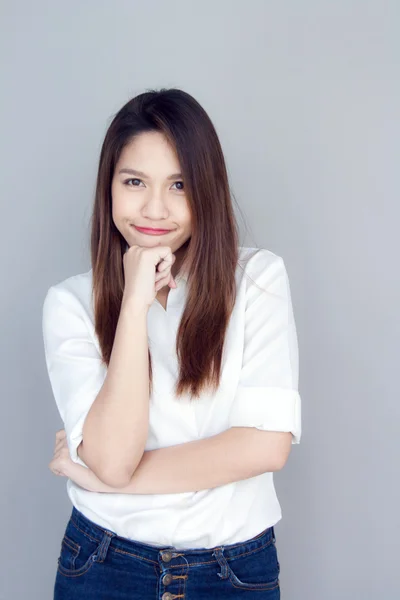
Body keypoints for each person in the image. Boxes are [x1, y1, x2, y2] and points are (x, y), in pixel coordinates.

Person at [42, 87, 302, 599]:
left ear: (206, 188)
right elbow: (114, 459)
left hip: (234, 570)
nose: (154, 208)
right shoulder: (70, 303)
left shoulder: (258, 279)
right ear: (109, 187)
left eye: (179, 184)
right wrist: (134, 305)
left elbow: (265, 446)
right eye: (134, 181)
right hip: (104, 564)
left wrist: (102, 481)